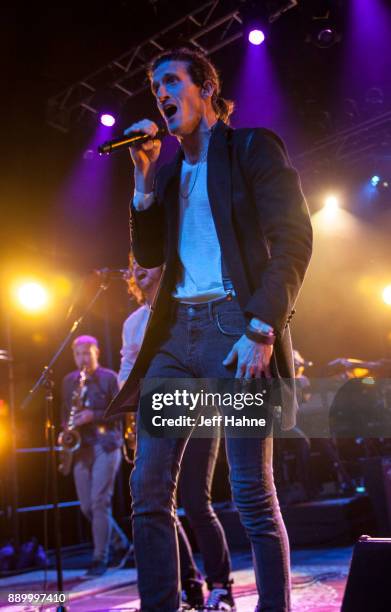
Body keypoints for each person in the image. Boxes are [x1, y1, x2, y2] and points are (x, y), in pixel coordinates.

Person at [106, 47, 313, 611]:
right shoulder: (168, 173)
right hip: (174, 340)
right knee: (149, 494)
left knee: (250, 493)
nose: (162, 95)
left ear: (205, 87)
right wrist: (143, 177)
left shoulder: (250, 148)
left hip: (233, 331)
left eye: (171, 82)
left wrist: (262, 326)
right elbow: (148, 253)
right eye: (156, 89)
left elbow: (295, 240)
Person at [119, 255, 234, 609]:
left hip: (198, 413)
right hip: (157, 414)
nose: (139, 267)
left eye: (146, 261)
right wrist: (129, 416)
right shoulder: (133, 322)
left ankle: (220, 585)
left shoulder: (182, 310)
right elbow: (127, 365)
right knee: (155, 500)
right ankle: (187, 584)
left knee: (197, 503)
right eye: (134, 263)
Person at [61, 335, 131, 576]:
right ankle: (121, 545)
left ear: (97, 353)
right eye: (78, 354)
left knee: (100, 501)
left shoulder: (109, 378)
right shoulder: (69, 381)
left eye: (87, 353)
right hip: (81, 447)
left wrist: (94, 415)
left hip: (106, 444)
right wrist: (67, 428)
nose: (83, 358)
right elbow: (64, 413)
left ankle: (100, 558)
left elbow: (121, 411)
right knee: (86, 506)